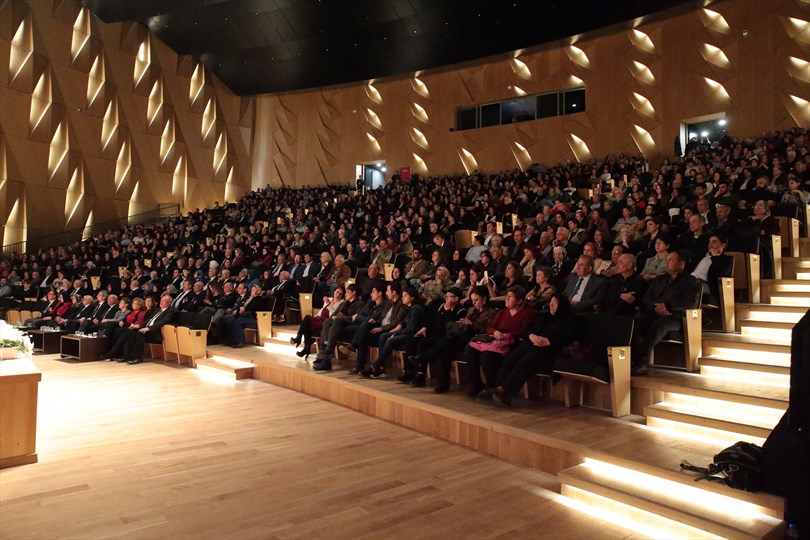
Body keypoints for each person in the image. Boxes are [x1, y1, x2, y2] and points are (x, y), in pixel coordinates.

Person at [491, 294, 576, 408]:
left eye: (555, 303)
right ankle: (502, 390)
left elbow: (570, 337)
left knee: (526, 361)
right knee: (511, 358)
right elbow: (528, 328)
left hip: (549, 349)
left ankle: (503, 390)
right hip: (531, 344)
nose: (551, 305)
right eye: (550, 302)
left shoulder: (570, 319)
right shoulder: (544, 316)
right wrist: (531, 336)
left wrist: (549, 341)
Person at [632, 251, 702, 375]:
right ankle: (630, 355)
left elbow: (691, 304)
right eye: (667, 259)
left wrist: (668, 307)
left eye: (671, 260)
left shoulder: (691, 282)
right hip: (655, 312)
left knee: (660, 325)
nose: (667, 262)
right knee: (634, 323)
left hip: (676, 317)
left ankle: (640, 359)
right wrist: (656, 307)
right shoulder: (659, 279)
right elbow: (647, 298)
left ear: (681, 264)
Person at [463, 286, 534, 399]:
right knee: (470, 351)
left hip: (511, 344)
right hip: (496, 341)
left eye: (510, 297)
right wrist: (495, 331)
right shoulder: (502, 312)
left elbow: (524, 331)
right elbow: (490, 327)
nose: (506, 299)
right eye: (506, 297)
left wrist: (509, 335)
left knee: (486, 357)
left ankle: (491, 388)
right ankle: (476, 384)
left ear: (519, 300)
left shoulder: (527, 313)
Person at [398, 287, 466, 387]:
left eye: (449, 297)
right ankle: (416, 375)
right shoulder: (441, 307)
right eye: (446, 296)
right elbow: (434, 321)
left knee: (442, 352)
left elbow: (452, 326)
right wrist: (425, 327)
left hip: (449, 339)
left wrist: (448, 310)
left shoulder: (461, 310)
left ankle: (439, 381)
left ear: (456, 299)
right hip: (435, 335)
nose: (446, 298)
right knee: (414, 342)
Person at [361, 287, 427, 378]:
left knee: (390, 340)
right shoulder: (409, 307)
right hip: (407, 333)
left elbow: (411, 328)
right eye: (403, 296)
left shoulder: (415, 309)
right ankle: (380, 367)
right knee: (384, 336)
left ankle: (375, 366)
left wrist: (396, 333)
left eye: (405, 296)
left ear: (412, 298)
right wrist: (400, 325)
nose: (403, 298)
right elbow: (404, 321)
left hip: (413, 335)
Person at [351, 282, 408, 374]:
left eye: (388, 291)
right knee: (365, 326)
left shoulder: (402, 305)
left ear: (393, 292)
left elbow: (396, 322)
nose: (386, 293)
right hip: (381, 326)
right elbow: (382, 318)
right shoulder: (389, 303)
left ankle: (377, 366)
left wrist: (381, 328)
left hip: (388, 330)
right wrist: (375, 322)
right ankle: (359, 366)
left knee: (378, 336)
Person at [312, 284, 366, 371]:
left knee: (338, 320)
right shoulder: (345, 303)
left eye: (348, 292)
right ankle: (325, 348)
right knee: (327, 321)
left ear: (354, 293)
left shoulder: (360, 303)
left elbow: (356, 319)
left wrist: (342, 317)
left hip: (351, 325)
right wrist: (336, 316)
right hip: (340, 323)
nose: (345, 294)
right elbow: (334, 314)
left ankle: (328, 351)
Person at [291, 286, 345, 359]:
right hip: (320, 319)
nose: (338, 295)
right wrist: (318, 315)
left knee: (308, 322)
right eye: (337, 292)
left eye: (340, 294)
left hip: (328, 322)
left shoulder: (341, 302)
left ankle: (301, 341)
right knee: (307, 320)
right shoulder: (330, 299)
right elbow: (322, 310)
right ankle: (303, 344)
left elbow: (333, 314)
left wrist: (329, 304)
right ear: (334, 292)